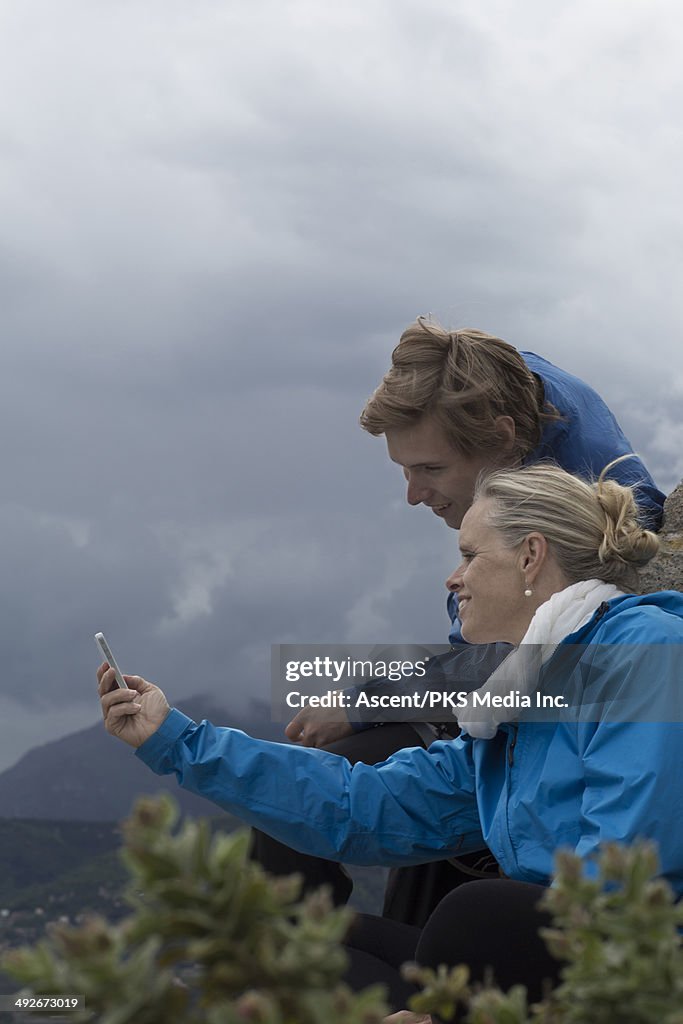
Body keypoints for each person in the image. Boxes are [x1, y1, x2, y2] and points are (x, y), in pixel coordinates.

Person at [98, 461, 683, 1019]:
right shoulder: (513, 702)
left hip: (630, 968)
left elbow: (627, 874)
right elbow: (364, 805)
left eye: (470, 555)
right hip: (540, 958)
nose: (453, 579)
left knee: (476, 920)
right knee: (284, 949)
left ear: (531, 557)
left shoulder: (643, 651)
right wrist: (174, 738)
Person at [255, 316, 666, 927]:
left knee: (409, 831)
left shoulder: (594, 498)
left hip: (532, 721)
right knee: (311, 801)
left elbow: (520, 661)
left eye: (430, 469)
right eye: (403, 469)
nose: (413, 495)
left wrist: (368, 701)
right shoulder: (490, 399)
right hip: (492, 702)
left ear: (503, 440)